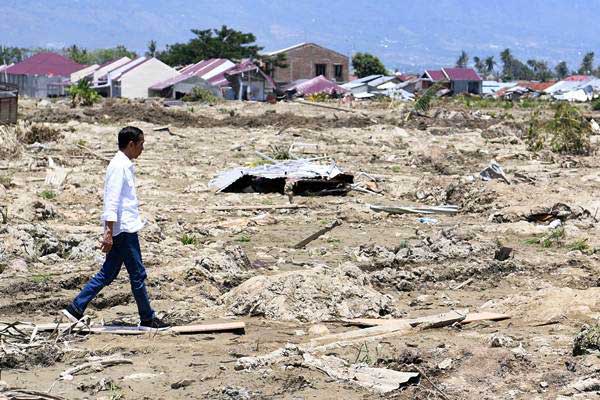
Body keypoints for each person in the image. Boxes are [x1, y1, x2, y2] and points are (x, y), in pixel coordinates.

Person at [62, 126, 168, 330]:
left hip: (124, 228)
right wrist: (108, 232)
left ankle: (75, 308)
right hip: (124, 230)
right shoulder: (119, 167)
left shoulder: (123, 164)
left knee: (108, 273)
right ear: (131, 144)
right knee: (137, 274)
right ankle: (147, 318)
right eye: (141, 144)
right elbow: (111, 201)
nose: (142, 149)